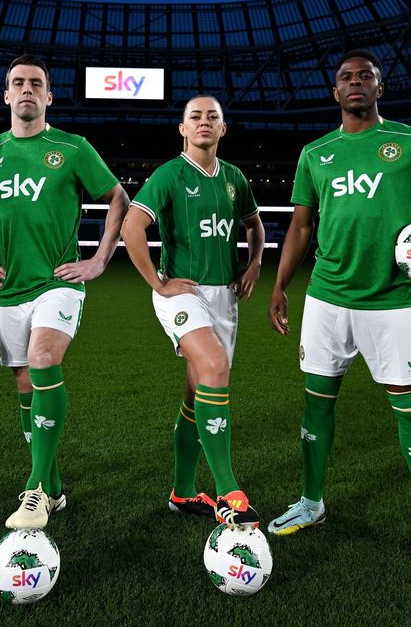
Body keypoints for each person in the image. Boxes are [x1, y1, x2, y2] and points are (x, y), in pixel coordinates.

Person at [265, 50, 411, 576]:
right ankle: (311, 503)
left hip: (392, 303)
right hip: (326, 299)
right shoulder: (316, 152)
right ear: (334, 92)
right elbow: (299, 227)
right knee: (316, 406)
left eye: (366, 76)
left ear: (379, 89)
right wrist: (279, 285)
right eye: (346, 77)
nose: (356, 82)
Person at [0, 54, 129, 530]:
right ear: (7, 95)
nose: (27, 89)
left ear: (49, 96)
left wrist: (98, 260)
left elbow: (119, 197)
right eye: (19, 83)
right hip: (10, 289)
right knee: (26, 391)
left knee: (44, 359)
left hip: (59, 283)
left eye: (37, 83)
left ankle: (34, 492)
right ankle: (53, 488)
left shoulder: (72, 148)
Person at [121, 95, 265, 527]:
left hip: (224, 298)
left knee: (198, 391)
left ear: (223, 128)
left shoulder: (234, 178)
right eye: (195, 117)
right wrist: (158, 283)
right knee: (216, 366)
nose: (204, 122)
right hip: (182, 293)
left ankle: (183, 493)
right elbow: (132, 227)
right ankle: (227, 491)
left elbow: (254, 226)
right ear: (182, 129)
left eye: (213, 117)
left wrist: (254, 261)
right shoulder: (169, 175)